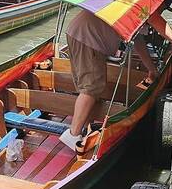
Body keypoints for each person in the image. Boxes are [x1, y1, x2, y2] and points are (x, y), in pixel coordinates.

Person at [59, 8, 172, 151]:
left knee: (89, 84)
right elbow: (158, 22)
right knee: (91, 88)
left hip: (78, 32)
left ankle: (86, 127)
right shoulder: (145, 2)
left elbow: (137, 41)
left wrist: (151, 69)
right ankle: (73, 134)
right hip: (88, 36)